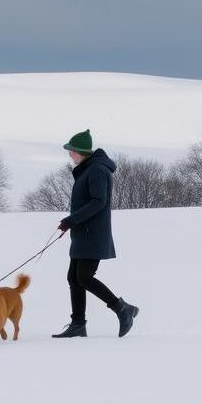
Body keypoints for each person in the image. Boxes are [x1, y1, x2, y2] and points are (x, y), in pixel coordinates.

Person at [52, 129, 139, 339]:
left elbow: (98, 202)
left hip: (93, 234)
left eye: (71, 151)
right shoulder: (88, 170)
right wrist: (71, 223)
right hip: (83, 234)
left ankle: (121, 308)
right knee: (74, 277)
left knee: (84, 277)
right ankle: (78, 325)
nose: (70, 155)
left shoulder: (97, 170)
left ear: (81, 151)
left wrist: (71, 220)